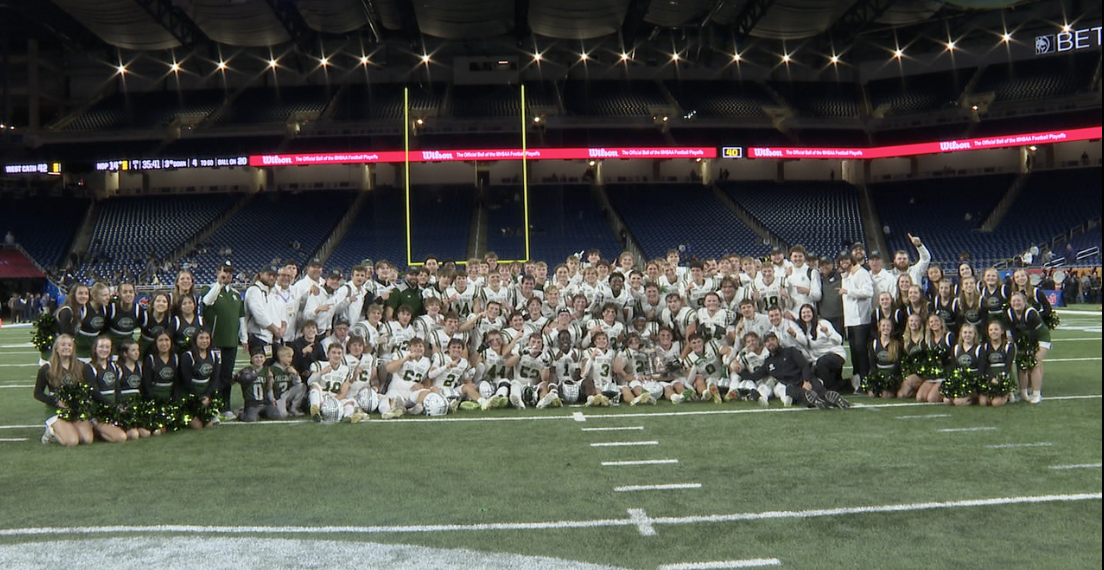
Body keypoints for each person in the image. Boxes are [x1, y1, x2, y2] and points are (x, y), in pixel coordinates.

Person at [740, 332, 850, 409]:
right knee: (791, 391)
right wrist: (740, 371)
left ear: (777, 341)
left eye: (772, 340)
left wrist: (806, 381)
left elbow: (804, 366)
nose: (771, 343)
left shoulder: (791, 351)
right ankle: (814, 400)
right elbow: (755, 376)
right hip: (792, 386)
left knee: (821, 392)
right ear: (765, 345)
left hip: (805, 379)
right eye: (767, 341)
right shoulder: (768, 362)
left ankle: (831, 399)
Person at [203, 262, 247, 420]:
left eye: (230, 273)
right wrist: (219, 284)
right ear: (217, 272)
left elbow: (241, 318)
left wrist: (244, 339)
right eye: (224, 272)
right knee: (215, 376)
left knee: (227, 376)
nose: (227, 275)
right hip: (215, 342)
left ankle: (225, 406)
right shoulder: (210, 290)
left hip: (231, 342)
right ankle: (213, 406)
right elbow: (206, 302)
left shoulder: (235, 294)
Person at [34, 335, 94, 446]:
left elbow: (90, 389)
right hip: (56, 410)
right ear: (56, 348)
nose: (66, 347)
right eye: (63, 345)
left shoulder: (82, 366)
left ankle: (69, 428)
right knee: (72, 441)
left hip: (75, 409)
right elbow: (38, 394)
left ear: (73, 349)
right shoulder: (47, 368)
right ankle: (51, 431)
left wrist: (80, 402)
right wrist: (56, 402)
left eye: (69, 345)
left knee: (87, 439)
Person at [1006, 292, 1051, 404]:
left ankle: (1037, 394)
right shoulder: (1009, 313)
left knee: (1034, 363)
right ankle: (1023, 393)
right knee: (1021, 364)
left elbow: (1033, 334)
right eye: (1014, 301)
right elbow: (1012, 333)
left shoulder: (1030, 313)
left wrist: (1030, 350)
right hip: (1023, 340)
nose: (1016, 303)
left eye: (1019, 301)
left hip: (1040, 338)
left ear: (1024, 302)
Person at [838, 251, 873, 391]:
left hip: (861, 319)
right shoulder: (846, 275)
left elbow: (868, 292)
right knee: (854, 351)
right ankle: (857, 380)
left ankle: (865, 380)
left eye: (846, 259)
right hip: (850, 320)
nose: (843, 262)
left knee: (861, 350)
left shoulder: (861, 273)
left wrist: (848, 292)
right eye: (841, 260)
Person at [83, 336, 128, 443]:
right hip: (99, 411)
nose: (104, 350)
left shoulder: (114, 366)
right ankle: (95, 427)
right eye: (101, 347)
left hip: (113, 409)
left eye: (107, 347)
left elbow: (117, 389)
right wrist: (113, 407)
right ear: (95, 348)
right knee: (120, 437)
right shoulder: (89, 367)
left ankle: (102, 431)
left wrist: (121, 405)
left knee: (133, 434)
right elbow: (95, 393)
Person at [795, 304, 848, 393]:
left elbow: (839, 340)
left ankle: (825, 391)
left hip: (835, 355)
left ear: (813, 313)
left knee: (823, 362)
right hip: (819, 360)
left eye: (808, 312)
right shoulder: (803, 328)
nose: (806, 314)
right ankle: (846, 384)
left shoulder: (823, 323)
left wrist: (828, 332)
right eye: (803, 313)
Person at [179, 328, 221, 429]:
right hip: (190, 396)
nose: (204, 341)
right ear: (195, 340)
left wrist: (207, 396)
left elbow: (215, 379)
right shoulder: (188, 356)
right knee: (197, 426)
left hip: (206, 395)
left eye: (207, 338)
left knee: (209, 425)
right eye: (201, 338)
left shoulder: (213, 355)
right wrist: (198, 398)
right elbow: (186, 381)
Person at [978, 321, 1016, 407]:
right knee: (983, 402)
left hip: (1004, 376)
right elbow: (983, 366)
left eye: (996, 329)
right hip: (990, 376)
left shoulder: (1009, 346)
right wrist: (991, 378)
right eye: (991, 330)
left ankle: (1008, 394)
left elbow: (1008, 366)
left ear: (1002, 331)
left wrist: (999, 379)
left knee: (995, 403)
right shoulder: (984, 347)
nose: (993, 332)